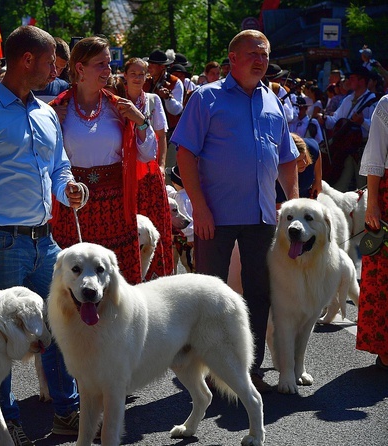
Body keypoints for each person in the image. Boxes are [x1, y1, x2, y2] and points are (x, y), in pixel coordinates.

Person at [0, 25, 82, 445]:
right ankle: (3, 423)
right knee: (1, 336)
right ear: (27, 60)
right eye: (50, 63)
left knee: (63, 324)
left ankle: (68, 411)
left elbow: (59, 167)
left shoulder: (45, 113)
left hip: (45, 241)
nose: (54, 70)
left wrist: (70, 188)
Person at [171, 29, 299, 392]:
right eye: (253, 54)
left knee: (260, 293)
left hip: (263, 217)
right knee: (209, 293)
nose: (261, 60)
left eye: (265, 54)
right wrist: (200, 208)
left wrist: (290, 204)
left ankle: (250, 366)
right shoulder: (206, 98)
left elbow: (288, 158)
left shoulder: (272, 100)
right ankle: (202, 366)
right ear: (233, 58)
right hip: (217, 216)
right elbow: (185, 154)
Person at [50, 36, 157, 285]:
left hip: (115, 208)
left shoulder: (118, 107)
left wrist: (141, 121)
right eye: (101, 64)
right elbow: (42, 156)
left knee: (113, 282)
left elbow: (147, 154)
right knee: (74, 279)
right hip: (72, 203)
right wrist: (50, 121)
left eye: (109, 64)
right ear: (80, 68)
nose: (108, 70)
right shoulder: (58, 108)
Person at [122, 56, 174, 278]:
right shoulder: (117, 100)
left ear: (147, 76)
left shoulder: (153, 100)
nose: (137, 77)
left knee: (154, 223)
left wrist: (162, 165)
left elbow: (161, 134)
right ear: (124, 75)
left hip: (149, 170)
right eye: (133, 73)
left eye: (141, 74)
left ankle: (156, 274)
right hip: (125, 170)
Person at [357, 94, 388, 370]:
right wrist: (373, 204)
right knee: (384, 272)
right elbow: (376, 158)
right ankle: (385, 346)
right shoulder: (387, 104)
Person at [315, 65, 377, 191]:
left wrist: (362, 122)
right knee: (340, 187)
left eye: (352, 78)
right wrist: (325, 119)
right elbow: (336, 119)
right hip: (345, 149)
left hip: (363, 150)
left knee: (363, 186)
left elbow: (377, 127)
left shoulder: (374, 101)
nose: (349, 81)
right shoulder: (348, 99)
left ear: (362, 80)